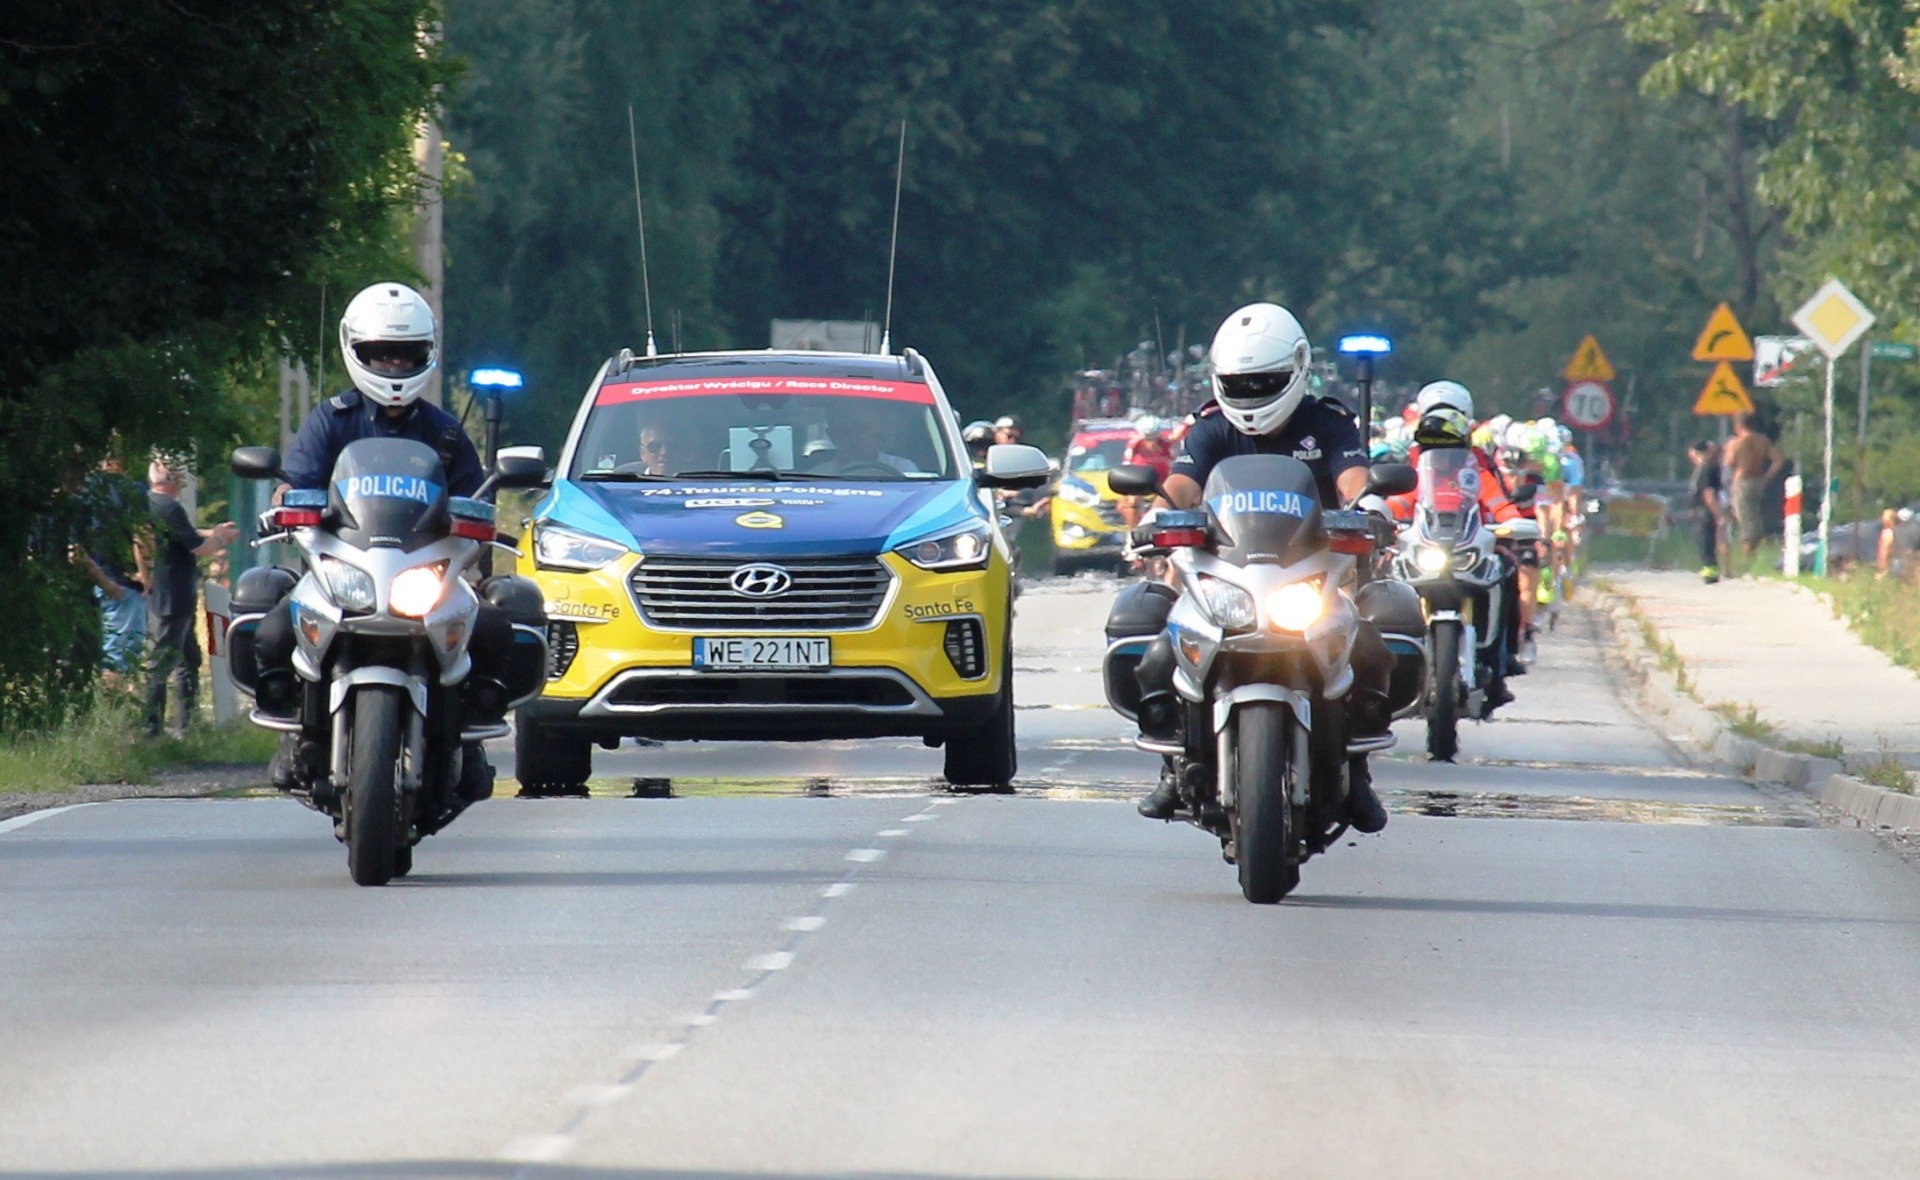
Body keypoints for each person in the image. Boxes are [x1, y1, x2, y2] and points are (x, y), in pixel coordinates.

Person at [1125, 302, 1392, 833]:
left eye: (1264, 382)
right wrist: (1156, 517)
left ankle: (1354, 771)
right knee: (1156, 654)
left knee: (1375, 650)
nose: (1251, 395)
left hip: (1311, 573)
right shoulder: (1209, 430)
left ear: (1297, 369)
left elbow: (1353, 479)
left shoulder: (1330, 424)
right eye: (1240, 384)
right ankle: (1171, 767)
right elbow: (1182, 485)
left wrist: (1372, 508)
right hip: (1229, 575)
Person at [252, 282, 512, 792]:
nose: (394, 367)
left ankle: (467, 739)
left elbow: (477, 503)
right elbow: (294, 482)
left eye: (406, 355)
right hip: (342, 575)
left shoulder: (445, 433)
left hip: (424, 577)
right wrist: (285, 503)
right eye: (382, 355)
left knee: (498, 629)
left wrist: (483, 521)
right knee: (270, 633)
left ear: (426, 355)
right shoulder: (333, 420)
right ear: (357, 351)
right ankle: (297, 733)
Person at [144, 458, 239, 737]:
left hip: (165, 592)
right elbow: (198, 548)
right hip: (174, 595)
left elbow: (184, 535)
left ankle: (186, 724)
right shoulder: (171, 508)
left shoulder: (152, 503)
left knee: (188, 660)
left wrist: (215, 531)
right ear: (174, 483)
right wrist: (221, 541)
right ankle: (154, 729)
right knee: (162, 663)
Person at [1724, 411, 1785, 563]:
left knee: (1746, 521)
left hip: (1742, 482)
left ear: (1738, 425)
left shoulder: (1736, 443)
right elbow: (1778, 460)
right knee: (1753, 518)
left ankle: (1746, 559)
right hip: (1758, 481)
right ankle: (1746, 556)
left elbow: (1728, 464)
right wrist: (1767, 477)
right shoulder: (1762, 441)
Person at [1688, 439, 1725, 583]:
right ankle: (1710, 570)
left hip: (1704, 510)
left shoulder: (1708, 469)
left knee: (1706, 542)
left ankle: (1710, 571)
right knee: (1704, 541)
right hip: (1701, 510)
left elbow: (1708, 494)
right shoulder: (1705, 468)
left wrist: (1717, 513)